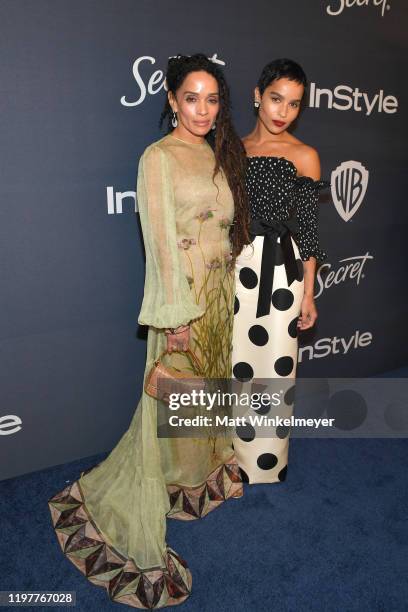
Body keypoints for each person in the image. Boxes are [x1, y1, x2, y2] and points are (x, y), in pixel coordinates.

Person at [48, 53, 249, 609]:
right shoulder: (157, 158)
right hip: (182, 306)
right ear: (171, 100)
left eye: (212, 100)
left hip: (219, 302)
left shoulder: (213, 151)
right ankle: (119, 501)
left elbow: (224, 233)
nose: (203, 110)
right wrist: (177, 317)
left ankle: (190, 483)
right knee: (164, 404)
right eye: (192, 98)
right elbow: (159, 242)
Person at [232, 58, 327, 484]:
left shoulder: (304, 155)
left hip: (282, 274)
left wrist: (308, 293)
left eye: (293, 104)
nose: (282, 111)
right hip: (237, 268)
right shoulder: (232, 148)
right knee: (235, 365)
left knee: (274, 367)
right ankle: (228, 461)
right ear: (257, 95)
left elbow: (308, 230)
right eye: (275, 98)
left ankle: (265, 464)